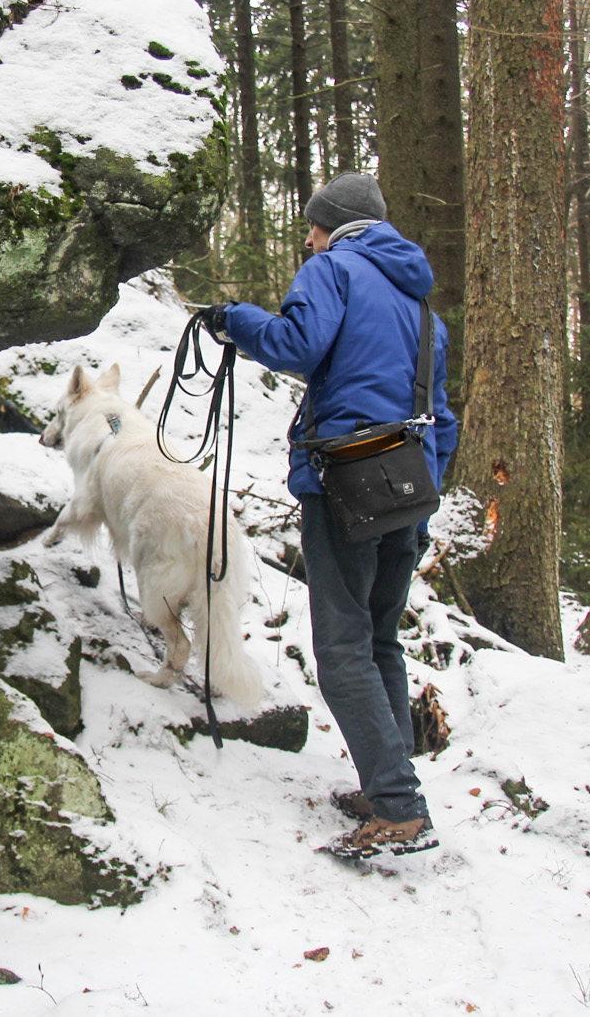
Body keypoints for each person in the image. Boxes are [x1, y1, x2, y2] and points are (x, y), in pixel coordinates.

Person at [194, 173, 457, 859]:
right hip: (410, 486)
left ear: (335, 226)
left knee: (342, 648)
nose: (307, 238)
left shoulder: (332, 269)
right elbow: (446, 419)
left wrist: (232, 318)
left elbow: (296, 345)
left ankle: (399, 807)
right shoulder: (425, 310)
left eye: (313, 226)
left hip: (347, 483)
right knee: (379, 640)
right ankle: (387, 782)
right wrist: (423, 493)